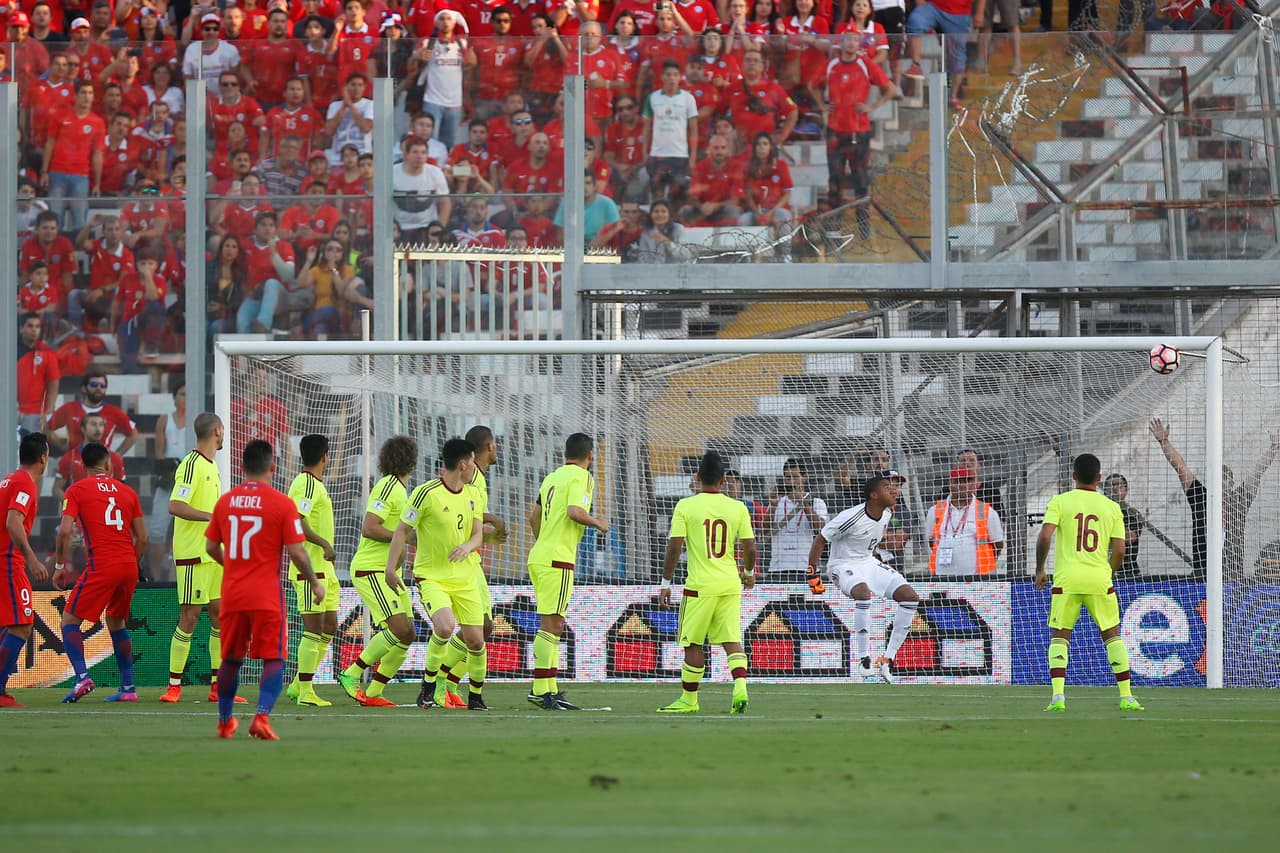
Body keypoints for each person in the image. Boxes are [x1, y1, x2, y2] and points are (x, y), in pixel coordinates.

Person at [207, 440, 320, 739]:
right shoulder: (282, 504)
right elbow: (297, 553)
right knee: (274, 658)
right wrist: (315, 582)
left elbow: (209, 546)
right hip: (266, 594)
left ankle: (224, 721)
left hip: (232, 592)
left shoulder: (225, 502)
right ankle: (261, 717)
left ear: (242, 467)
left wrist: (230, 565)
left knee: (231, 658)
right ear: (273, 467)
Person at [1035, 453, 1144, 713]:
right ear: (1098, 478)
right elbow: (1120, 549)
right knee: (1111, 635)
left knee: (1060, 636)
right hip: (1099, 579)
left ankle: (1058, 696)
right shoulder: (1111, 507)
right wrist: (1109, 572)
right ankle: (1127, 697)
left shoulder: (1060, 501)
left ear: (1073, 476)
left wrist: (1040, 569)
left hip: (1067, 579)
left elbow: (1045, 536)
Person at [657, 451, 756, 714]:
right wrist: (748, 571)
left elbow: (674, 548)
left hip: (699, 586)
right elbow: (750, 546)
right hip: (729, 583)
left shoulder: (686, 506)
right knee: (731, 639)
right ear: (723, 480)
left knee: (693, 642)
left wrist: (666, 582)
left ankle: (689, 700)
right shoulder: (738, 507)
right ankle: (740, 686)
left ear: (697, 477)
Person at [393, 438, 489, 710]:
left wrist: (468, 546)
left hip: (466, 577)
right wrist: (391, 568)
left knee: (476, 640)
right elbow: (402, 531)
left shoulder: (474, 494)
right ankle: (429, 686)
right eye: (472, 461)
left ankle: (476, 696)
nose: (474, 466)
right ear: (462, 464)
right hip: (432, 576)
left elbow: (478, 534)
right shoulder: (426, 493)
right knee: (445, 626)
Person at [52, 442, 148, 703]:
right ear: (109, 465)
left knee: (70, 620)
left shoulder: (77, 490)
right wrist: (134, 563)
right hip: (128, 564)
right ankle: (128, 688)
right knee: (117, 621)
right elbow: (143, 538)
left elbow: (63, 531)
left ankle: (82, 677)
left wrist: (60, 566)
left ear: (84, 466)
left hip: (102, 563)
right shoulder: (128, 493)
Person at [422, 424, 509, 708]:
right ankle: (442, 681)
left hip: (470, 559)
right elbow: (465, 513)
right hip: (462, 566)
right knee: (480, 628)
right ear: (489, 447)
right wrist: (493, 521)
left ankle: (447, 682)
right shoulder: (472, 482)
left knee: (483, 630)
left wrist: (486, 534)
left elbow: (471, 525)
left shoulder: (478, 479)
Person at [160, 412, 242, 704]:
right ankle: (173, 686)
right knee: (190, 617)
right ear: (218, 430)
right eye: (224, 430)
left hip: (212, 555)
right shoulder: (191, 464)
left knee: (219, 616)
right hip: (194, 553)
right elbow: (175, 504)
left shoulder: (212, 466)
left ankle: (218, 687)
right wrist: (212, 516)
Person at [806, 473, 921, 683]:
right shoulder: (851, 516)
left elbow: (870, 541)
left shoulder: (887, 514)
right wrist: (812, 574)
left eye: (896, 486)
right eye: (888, 487)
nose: (895, 490)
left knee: (910, 597)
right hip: (841, 564)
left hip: (868, 562)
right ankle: (863, 658)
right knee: (863, 593)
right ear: (874, 495)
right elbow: (820, 539)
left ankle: (887, 660)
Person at [526, 433, 610, 710]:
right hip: (557, 560)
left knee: (552, 624)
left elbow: (533, 516)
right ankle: (540, 689)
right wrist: (599, 523)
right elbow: (575, 511)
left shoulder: (553, 476)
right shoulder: (583, 477)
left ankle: (549, 688)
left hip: (540, 557)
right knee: (552, 625)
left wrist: (543, 543)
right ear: (590, 455)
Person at [335, 435, 418, 705]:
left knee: (408, 634)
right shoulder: (387, 486)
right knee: (398, 629)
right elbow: (370, 527)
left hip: (389, 572)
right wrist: (400, 537)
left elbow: (401, 533)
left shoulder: (401, 490)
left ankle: (374, 692)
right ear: (411, 461)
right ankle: (352, 673)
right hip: (372, 570)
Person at [1150, 418, 1280, 579]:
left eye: (1225, 479)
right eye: (1217, 479)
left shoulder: (1239, 500)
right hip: (1202, 573)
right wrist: (1164, 442)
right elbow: (1180, 468)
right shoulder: (1201, 497)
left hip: (1232, 573)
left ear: (1231, 483)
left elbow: (1257, 472)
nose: (1221, 484)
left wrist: (1274, 448)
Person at [283, 435, 341, 707]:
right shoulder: (305, 483)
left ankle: (298, 684)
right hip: (310, 569)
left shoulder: (314, 483)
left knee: (330, 625)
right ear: (325, 457)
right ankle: (305, 690)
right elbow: (297, 521)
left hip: (323, 569)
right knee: (314, 628)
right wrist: (323, 543)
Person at [0, 434, 52, 709]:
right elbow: (13, 521)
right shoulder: (24, 483)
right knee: (22, 624)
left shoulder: (9, 479)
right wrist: (32, 559)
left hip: (5, 560)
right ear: (43, 457)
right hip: (9, 561)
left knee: (13, 624)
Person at [926, 466, 1004, 576]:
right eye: (958, 481)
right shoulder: (934, 511)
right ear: (950, 483)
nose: (962, 485)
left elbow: (998, 544)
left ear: (975, 484)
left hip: (978, 579)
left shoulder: (987, 512)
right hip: (941, 578)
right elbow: (931, 542)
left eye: (967, 481)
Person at [642, 59, 699, 202]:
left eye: (675, 75)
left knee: (677, 194)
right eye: (668, 74)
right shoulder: (652, 97)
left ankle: (676, 223)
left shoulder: (688, 98)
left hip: (679, 155)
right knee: (657, 191)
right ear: (662, 77)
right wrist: (645, 152)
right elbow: (646, 128)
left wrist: (692, 158)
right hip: (658, 154)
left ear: (680, 77)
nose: (671, 78)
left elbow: (693, 130)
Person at [148, 378, 188, 581]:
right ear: (174, 398)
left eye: (189, 395)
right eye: (182, 394)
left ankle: (180, 576)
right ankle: (155, 578)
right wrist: (170, 470)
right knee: (156, 530)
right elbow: (159, 455)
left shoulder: (196, 421)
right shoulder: (165, 420)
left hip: (188, 484)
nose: (185, 399)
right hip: (167, 481)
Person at [46, 371, 140, 454]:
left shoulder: (114, 412)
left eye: (103, 386)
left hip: (101, 464)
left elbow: (133, 434)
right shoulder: (69, 408)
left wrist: (118, 455)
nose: (99, 388)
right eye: (94, 384)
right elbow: (47, 427)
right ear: (84, 388)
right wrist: (62, 446)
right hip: (74, 462)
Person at [767, 457, 828, 576]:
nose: (791, 481)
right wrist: (773, 506)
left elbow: (820, 529)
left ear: (804, 477)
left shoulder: (816, 502)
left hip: (808, 567)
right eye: (787, 477)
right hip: (778, 568)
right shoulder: (777, 501)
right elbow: (764, 530)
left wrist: (804, 503)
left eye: (795, 477)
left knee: (816, 594)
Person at [53, 412, 127, 506]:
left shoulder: (114, 458)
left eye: (101, 425)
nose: (98, 429)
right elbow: (56, 489)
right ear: (83, 429)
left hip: (104, 512)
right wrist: (71, 505)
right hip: (79, 512)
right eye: (93, 424)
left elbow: (123, 490)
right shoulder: (69, 457)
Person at [17, 313, 60, 437]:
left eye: (37, 326)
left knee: (30, 448)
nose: (34, 330)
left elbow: (53, 382)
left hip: (34, 412)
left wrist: (49, 410)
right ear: (21, 328)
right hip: (9, 408)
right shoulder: (9, 349)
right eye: (30, 326)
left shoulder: (46, 352)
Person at [1102, 473, 1144, 581]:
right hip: (1101, 569)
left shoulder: (1132, 513)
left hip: (1127, 572)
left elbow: (1131, 537)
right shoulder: (1099, 511)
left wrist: (1109, 526)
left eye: (1119, 485)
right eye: (1111, 486)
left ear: (1126, 490)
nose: (1115, 489)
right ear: (1105, 490)